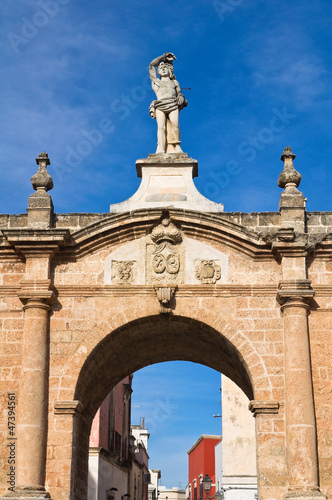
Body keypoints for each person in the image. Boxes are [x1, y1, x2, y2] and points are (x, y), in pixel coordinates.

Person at [149, 52, 187, 154]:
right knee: (161, 127)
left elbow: (180, 94)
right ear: (158, 72)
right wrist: (164, 57)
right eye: (161, 68)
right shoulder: (156, 82)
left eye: (165, 68)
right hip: (160, 106)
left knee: (175, 124)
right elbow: (152, 65)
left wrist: (181, 98)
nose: (163, 69)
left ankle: (177, 146)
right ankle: (160, 148)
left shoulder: (174, 82)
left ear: (170, 71)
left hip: (173, 104)